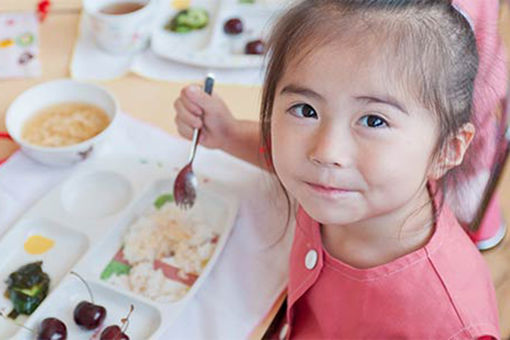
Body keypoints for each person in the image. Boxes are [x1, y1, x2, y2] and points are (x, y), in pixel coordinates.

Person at [174, 0, 500, 338]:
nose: (325, 152)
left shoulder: (448, 322)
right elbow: (280, 151)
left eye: (374, 120)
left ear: (447, 149)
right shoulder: (339, 187)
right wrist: (226, 133)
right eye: (306, 110)